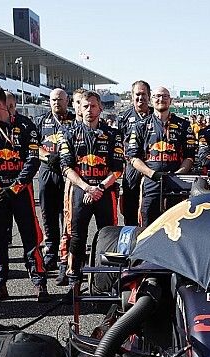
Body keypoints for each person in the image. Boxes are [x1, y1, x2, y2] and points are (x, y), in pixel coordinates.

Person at [0, 83, 48, 303]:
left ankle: (39, 283)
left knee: (31, 237)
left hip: (21, 192)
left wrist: (15, 187)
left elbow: (33, 159)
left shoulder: (27, 126)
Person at [60, 90, 124, 285]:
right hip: (80, 190)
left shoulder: (113, 134)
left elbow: (118, 169)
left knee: (108, 234)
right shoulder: (69, 132)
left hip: (105, 191)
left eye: (93, 106)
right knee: (77, 236)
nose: (89, 110)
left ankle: (107, 278)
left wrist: (100, 188)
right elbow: (65, 167)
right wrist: (87, 187)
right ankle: (74, 278)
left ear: (100, 108)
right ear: (79, 107)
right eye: (85, 106)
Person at [127, 86, 195, 226]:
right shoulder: (141, 125)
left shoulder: (184, 125)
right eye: (157, 96)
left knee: (177, 226)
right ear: (151, 100)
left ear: (170, 100)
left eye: (165, 96)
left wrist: (178, 175)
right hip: (151, 182)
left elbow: (190, 156)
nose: (161, 99)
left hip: (177, 183)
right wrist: (152, 174)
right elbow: (133, 158)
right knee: (147, 226)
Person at [35, 88, 75, 282]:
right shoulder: (41, 121)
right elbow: (33, 145)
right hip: (47, 171)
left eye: (60, 99)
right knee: (48, 212)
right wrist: (47, 156)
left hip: (68, 173)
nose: (56, 103)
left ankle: (65, 255)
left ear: (67, 101)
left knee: (66, 214)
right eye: (53, 100)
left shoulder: (75, 120)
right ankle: (50, 250)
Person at [117, 80, 151, 227]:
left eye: (143, 94)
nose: (140, 98)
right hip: (132, 169)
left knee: (151, 208)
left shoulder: (156, 116)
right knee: (130, 208)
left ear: (149, 96)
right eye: (137, 94)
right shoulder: (123, 118)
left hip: (151, 167)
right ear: (132, 96)